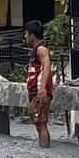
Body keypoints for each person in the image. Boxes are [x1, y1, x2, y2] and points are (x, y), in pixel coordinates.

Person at [24, 20, 54, 149]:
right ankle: (44, 146)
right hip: (35, 90)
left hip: (39, 91)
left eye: (26, 34)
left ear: (32, 35)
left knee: (41, 123)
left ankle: (44, 147)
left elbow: (46, 65)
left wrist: (42, 88)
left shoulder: (41, 49)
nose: (24, 37)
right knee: (38, 122)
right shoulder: (37, 50)